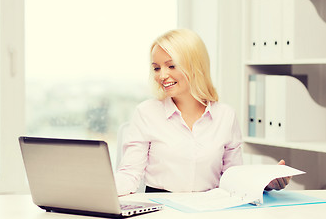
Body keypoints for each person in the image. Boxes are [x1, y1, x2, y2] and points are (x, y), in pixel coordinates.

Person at [115, 28, 290, 196]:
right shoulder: (146, 112)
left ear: (194, 66)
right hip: (161, 209)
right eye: (157, 68)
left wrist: (265, 183)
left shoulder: (225, 116)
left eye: (171, 66)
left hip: (210, 210)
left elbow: (234, 177)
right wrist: (95, 188)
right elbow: (129, 175)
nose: (162, 75)